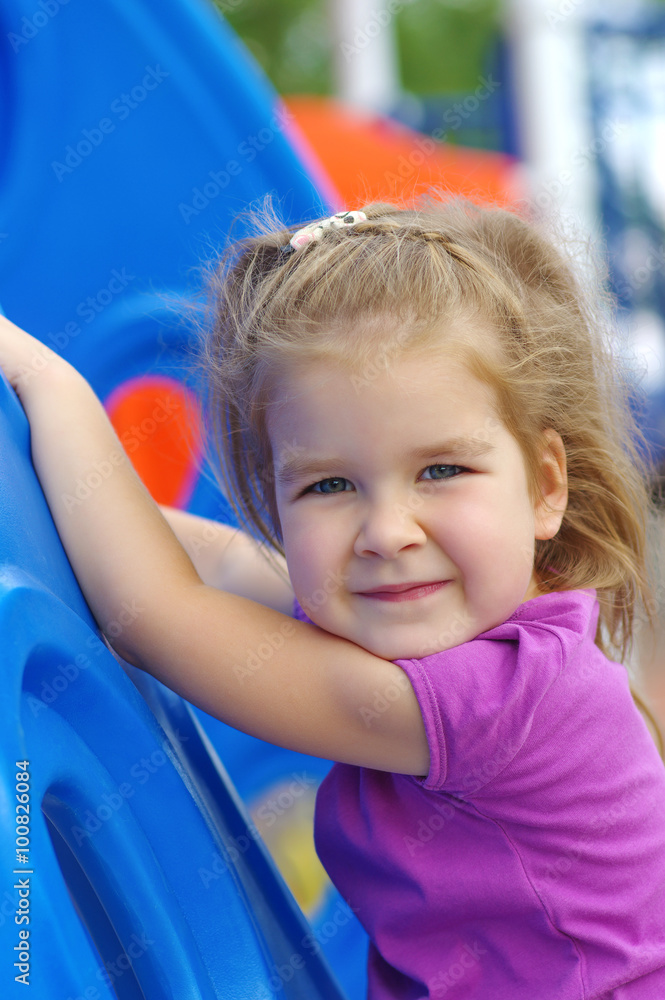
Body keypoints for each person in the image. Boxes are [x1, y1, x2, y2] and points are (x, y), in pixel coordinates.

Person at [1, 198, 665, 999]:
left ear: (544, 485)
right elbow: (222, 564)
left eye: (441, 470)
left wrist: (47, 385)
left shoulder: (501, 696)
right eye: (330, 485)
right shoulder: (452, 618)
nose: (386, 530)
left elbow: (158, 617)